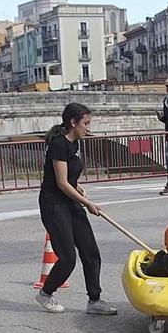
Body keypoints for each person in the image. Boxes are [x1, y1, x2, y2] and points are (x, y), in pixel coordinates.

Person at [37, 101, 117, 315]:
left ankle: (94, 301)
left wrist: (78, 187)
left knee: (91, 252)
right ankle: (45, 293)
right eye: (85, 123)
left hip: (70, 201)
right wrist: (88, 203)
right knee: (68, 258)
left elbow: (68, 178)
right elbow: (61, 183)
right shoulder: (58, 144)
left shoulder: (75, 144)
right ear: (73, 122)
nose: (88, 128)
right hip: (54, 204)